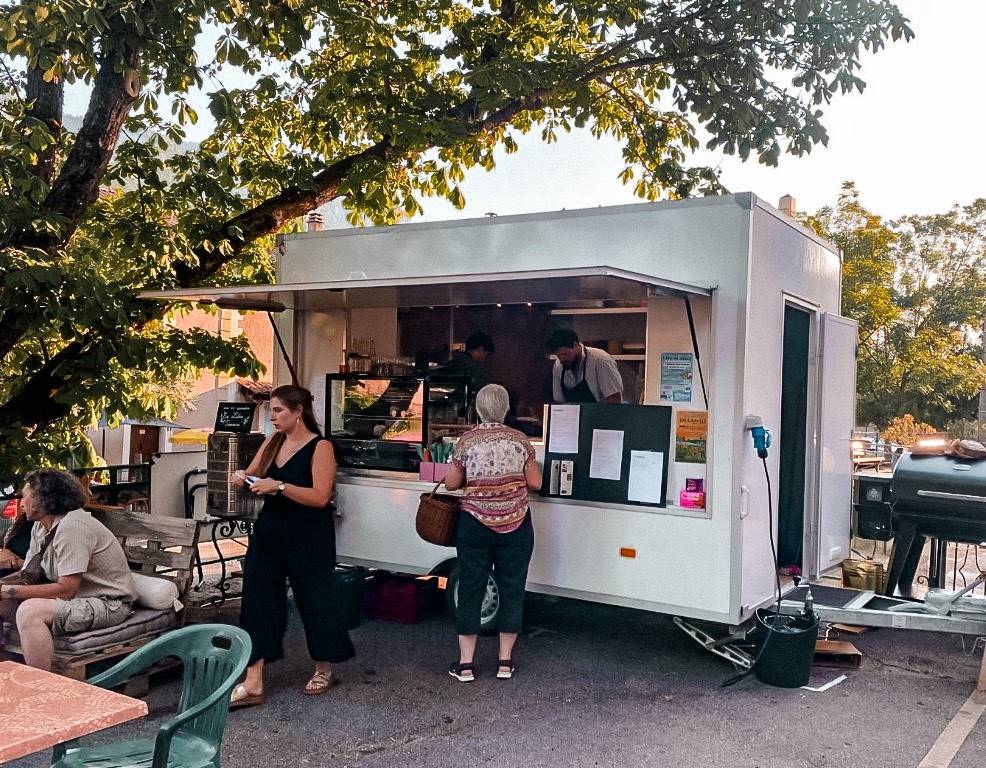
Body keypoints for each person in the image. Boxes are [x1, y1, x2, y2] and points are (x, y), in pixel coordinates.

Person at [230, 384, 355, 709]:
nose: (272, 417)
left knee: (315, 598)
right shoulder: (273, 442)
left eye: (278, 411)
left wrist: (281, 486)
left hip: (309, 532)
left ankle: (324, 666)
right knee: (257, 598)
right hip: (271, 529)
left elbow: (319, 496)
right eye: (271, 410)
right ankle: (254, 679)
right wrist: (242, 477)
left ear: (298, 412)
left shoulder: (321, 446)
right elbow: (255, 475)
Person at [444, 384, 542, 682]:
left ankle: (465, 665)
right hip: (515, 523)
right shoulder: (520, 440)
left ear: (478, 409)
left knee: (472, 588)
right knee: (513, 588)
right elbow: (535, 482)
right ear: (506, 409)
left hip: (474, 525)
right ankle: (504, 663)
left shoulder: (466, 441)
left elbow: (451, 483)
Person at [0, 469, 137, 671]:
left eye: (26, 495)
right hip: (77, 601)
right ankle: (6, 676)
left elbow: (67, 589)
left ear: (45, 498)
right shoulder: (41, 527)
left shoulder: (73, 527)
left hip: (108, 604)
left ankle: (40, 686)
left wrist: (8, 591)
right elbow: (28, 575)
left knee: (30, 612)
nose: (21, 502)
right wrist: (4, 587)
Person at [547, 328, 624, 404]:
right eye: (558, 356)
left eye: (565, 354)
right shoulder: (559, 365)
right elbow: (559, 402)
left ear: (575, 345)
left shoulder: (601, 361)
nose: (561, 359)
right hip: (573, 415)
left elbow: (614, 400)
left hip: (602, 414)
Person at [0, 500, 31, 578]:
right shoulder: (22, 521)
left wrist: (15, 562)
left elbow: (38, 569)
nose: (22, 503)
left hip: (16, 571)